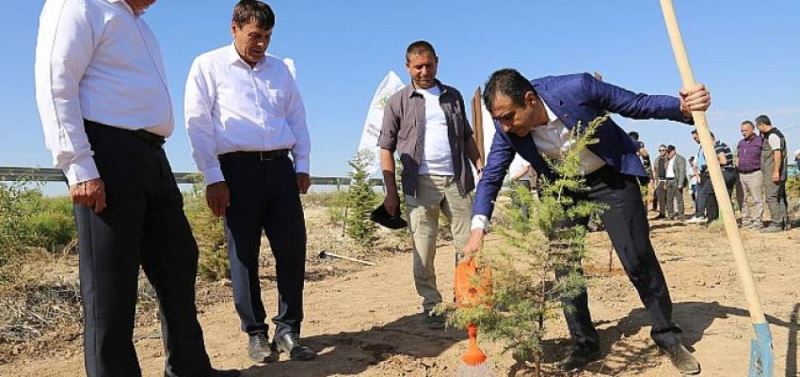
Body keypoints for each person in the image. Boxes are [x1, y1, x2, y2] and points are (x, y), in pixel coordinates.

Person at [34, 1, 239, 376]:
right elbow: (55, 80)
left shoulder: (138, 24)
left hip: (151, 156)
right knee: (110, 285)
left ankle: (190, 368)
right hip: (105, 154)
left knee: (178, 260)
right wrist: (78, 165)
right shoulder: (80, 4)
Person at [464, 69, 709, 374]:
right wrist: (478, 228)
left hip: (610, 177)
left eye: (509, 117)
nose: (504, 126)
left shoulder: (577, 87)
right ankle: (583, 342)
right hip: (563, 188)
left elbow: (636, 104)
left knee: (637, 257)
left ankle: (667, 335)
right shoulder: (507, 130)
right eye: (498, 119)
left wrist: (683, 108)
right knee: (565, 266)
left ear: (530, 100)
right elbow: (492, 176)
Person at [184, 0, 315, 363]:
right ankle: (256, 334)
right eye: (255, 36)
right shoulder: (207, 66)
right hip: (235, 173)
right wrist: (212, 176)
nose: (261, 45)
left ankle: (288, 330)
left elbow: (297, 117)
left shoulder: (281, 71)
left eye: (268, 37)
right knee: (244, 255)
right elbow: (198, 123)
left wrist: (301, 164)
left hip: (280, 169)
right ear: (234, 28)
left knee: (292, 250)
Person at [378, 40, 483, 329]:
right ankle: (432, 306)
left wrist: (479, 162)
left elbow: (466, 137)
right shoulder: (398, 101)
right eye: (418, 66)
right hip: (420, 184)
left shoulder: (453, 96)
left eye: (429, 65)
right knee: (424, 249)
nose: (424, 71)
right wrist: (390, 191)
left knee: (468, 246)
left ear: (437, 61)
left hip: (458, 181)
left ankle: (466, 302)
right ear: (408, 66)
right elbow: (385, 148)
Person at [687, 131, 736, 223]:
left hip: (724, 173)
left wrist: (710, 165)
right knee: (725, 198)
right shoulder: (721, 144)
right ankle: (727, 220)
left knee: (705, 192)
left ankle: (700, 215)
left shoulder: (717, 146)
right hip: (730, 173)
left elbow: (723, 161)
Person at [755, 115, 789, 232]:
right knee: (779, 197)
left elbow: (777, 154)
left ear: (761, 125)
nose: (758, 130)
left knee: (771, 197)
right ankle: (784, 223)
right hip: (777, 171)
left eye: (758, 127)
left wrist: (775, 171)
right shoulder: (777, 134)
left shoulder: (773, 135)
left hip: (773, 171)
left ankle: (776, 224)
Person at [736, 120, 764, 229]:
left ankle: (758, 221)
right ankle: (746, 220)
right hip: (741, 174)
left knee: (757, 199)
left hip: (755, 173)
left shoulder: (760, 141)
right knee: (741, 198)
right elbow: (738, 156)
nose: (743, 133)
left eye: (745, 130)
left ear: (753, 129)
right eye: (742, 131)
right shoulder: (741, 143)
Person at [665, 145, 688, 219]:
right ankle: (670, 215)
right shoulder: (668, 160)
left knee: (679, 199)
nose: (668, 153)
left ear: (674, 151)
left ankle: (681, 215)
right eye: (667, 152)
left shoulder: (680, 159)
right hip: (669, 180)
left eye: (669, 152)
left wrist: (680, 183)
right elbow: (667, 171)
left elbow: (682, 171)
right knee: (669, 199)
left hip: (676, 180)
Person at [652, 144, 669, 219]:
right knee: (660, 197)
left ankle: (670, 213)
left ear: (666, 150)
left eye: (663, 150)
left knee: (668, 198)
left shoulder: (669, 159)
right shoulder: (657, 159)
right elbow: (655, 170)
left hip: (668, 180)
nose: (661, 152)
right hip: (659, 180)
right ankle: (662, 213)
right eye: (660, 150)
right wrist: (654, 180)